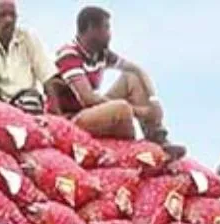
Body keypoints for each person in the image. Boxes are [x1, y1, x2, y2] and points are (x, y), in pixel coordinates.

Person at [45, 6, 184, 159]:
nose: (109, 34)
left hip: (90, 111)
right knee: (121, 109)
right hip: (73, 119)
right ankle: (134, 150)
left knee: (131, 78)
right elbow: (87, 99)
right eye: (106, 28)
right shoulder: (69, 55)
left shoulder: (101, 54)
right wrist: (142, 111)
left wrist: (153, 100)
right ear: (91, 29)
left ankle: (156, 135)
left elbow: (136, 70)